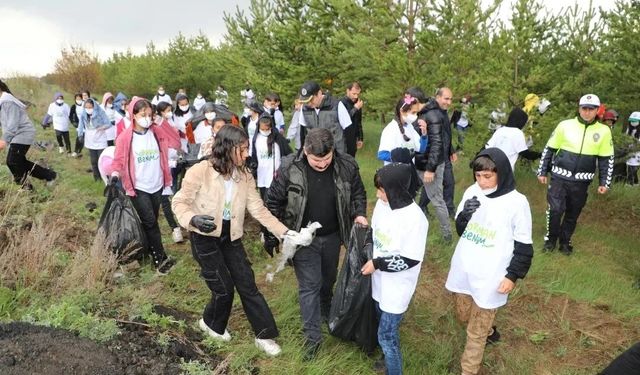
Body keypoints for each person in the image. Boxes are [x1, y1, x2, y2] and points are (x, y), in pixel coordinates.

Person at [172, 125, 304, 356]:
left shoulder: (244, 175)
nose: (246, 154)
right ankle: (211, 323)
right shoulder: (200, 171)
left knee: (247, 285)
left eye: (247, 149)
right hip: (204, 237)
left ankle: (264, 335)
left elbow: (258, 209)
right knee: (223, 288)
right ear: (227, 148)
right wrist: (193, 219)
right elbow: (179, 202)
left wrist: (285, 232)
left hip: (231, 236)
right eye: (241, 150)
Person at [266, 128, 367, 359]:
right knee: (309, 285)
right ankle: (313, 339)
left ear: (333, 152)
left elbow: (358, 194)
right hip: (302, 239)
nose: (321, 165)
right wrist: (273, 234)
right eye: (315, 160)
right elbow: (273, 201)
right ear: (305, 150)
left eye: (326, 160)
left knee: (328, 278)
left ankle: (325, 307)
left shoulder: (347, 165)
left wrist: (359, 213)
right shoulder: (290, 167)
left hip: (333, 236)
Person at [446, 148, 533, 375]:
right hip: (465, 266)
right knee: (463, 314)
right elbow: (460, 230)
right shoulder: (472, 191)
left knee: (475, 331)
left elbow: (524, 247)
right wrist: (465, 214)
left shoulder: (516, 202)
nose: (482, 182)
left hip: (492, 274)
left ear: (501, 173)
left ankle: (469, 370)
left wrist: (512, 275)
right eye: (478, 176)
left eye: (488, 176)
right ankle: (490, 330)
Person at [360, 163, 428, 375]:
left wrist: (378, 264)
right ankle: (385, 359)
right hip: (379, 281)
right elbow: (375, 230)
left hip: (398, 287)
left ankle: (394, 370)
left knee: (386, 335)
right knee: (382, 323)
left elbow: (410, 259)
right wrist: (367, 245)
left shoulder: (415, 219)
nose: (379, 195)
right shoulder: (383, 206)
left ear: (397, 189)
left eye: (382, 190)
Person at [537, 94, 614, 255]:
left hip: (582, 181)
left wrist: (604, 183)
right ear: (579, 109)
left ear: (597, 110)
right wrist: (542, 171)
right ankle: (550, 240)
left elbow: (606, 159)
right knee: (556, 210)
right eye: (584, 108)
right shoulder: (564, 125)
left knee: (573, 212)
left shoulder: (604, 131)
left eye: (591, 109)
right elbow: (549, 149)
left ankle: (565, 242)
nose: (587, 112)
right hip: (559, 177)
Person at [110, 97, 179, 274]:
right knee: (150, 223)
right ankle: (160, 260)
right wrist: (116, 175)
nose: (147, 118)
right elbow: (118, 160)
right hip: (138, 188)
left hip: (157, 184)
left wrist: (162, 122)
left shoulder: (157, 132)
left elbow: (176, 142)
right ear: (133, 115)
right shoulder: (126, 137)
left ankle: (147, 250)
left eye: (150, 114)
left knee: (152, 221)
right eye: (143, 114)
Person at [249, 113, 293, 256]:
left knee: (281, 205)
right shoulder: (255, 139)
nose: (266, 128)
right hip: (263, 180)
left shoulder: (278, 138)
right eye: (263, 126)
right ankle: (266, 233)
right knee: (265, 208)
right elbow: (253, 157)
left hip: (278, 179)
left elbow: (288, 154)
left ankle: (283, 232)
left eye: (268, 126)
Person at [0, 79, 57, 189]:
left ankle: (27, 189)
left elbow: (12, 124)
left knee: (13, 161)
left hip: (22, 134)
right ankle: (50, 175)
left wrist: (4, 140)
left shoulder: (7, 101)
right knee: (18, 161)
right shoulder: (2, 101)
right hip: (16, 135)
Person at [421, 87, 456, 242]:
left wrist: (451, 149)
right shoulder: (432, 113)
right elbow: (435, 142)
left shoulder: (442, 112)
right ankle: (446, 230)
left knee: (445, 186)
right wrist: (430, 167)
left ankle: (447, 224)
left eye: (450, 99)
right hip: (432, 160)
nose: (448, 102)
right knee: (436, 193)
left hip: (441, 157)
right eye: (446, 98)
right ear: (437, 97)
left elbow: (445, 134)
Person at [155, 101, 184, 243]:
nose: (169, 112)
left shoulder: (169, 124)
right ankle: (174, 228)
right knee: (164, 200)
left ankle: (182, 221)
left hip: (174, 163)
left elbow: (175, 142)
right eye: (167, 110)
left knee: (176, 195)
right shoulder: (156, 128)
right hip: (161, 168)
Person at [297, 81, 352, 154]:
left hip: (336, 154)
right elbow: (303, 133)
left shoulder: (337, 105)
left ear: (319, 93)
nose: (309, 104)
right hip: (315, 155)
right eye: (306, 101)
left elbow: (349, 132)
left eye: (311, 100)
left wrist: (347, 158)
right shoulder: (304, 109)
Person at [78, 98, 113, 182]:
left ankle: (107, 178)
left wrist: (102, 127)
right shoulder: (83, 114)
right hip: (90, 141)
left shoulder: (100, 113)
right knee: (94, 161)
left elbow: (108, 123)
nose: (88, 109)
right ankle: (97, 178)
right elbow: (81, 125)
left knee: (102, 161)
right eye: (86, 107)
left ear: (94, 106)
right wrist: (80, 135)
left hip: (100, 140)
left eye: (90, 107)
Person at [340, 82, 365, 157]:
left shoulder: (358, 103)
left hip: (353, 138)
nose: (356, 96)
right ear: (348, 91)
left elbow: (359, 121)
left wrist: (360, 138)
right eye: (354, 94)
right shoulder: (341, 103)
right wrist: (355, 108)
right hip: (343, 138)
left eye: (358, 94)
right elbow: (344, 119)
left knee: (351, 161)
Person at [624, 111, 640, 186]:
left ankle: (629, 183)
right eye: (632, 121)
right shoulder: (629, 130)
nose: (633, 122)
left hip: (637, 152)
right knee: (630, 166)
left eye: (635, 121)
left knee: (634, 167)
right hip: (630, 152)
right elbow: (625, 139)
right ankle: (636, 182)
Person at [70, 93, 84, 157]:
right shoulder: (74, 106)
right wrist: (73, 123)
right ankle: (76, 151)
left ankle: (79, 151)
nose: (78, 100)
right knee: (79, 138)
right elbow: (70, 116)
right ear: (75, 99)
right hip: (78, 125)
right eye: (77, 99)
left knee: (83, 139)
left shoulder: (85, 105)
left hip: (86, 124)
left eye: (80, 98)